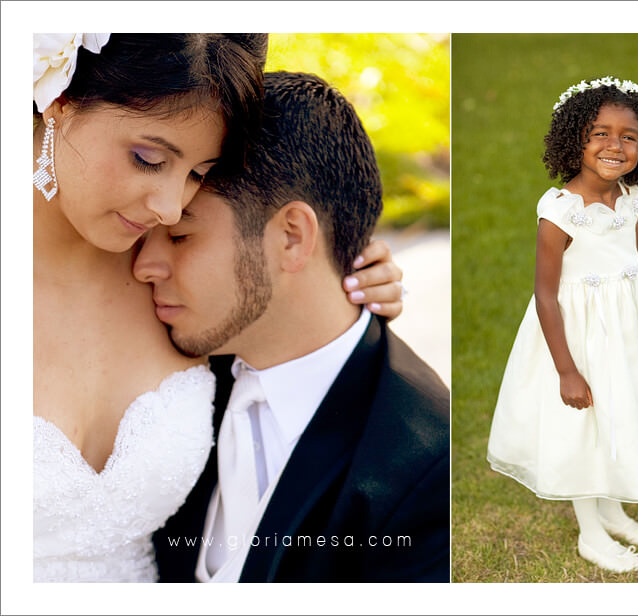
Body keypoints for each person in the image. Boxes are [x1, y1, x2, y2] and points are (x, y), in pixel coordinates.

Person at [32, 34, 404, 583]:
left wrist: (338, 275)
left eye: (197, 173)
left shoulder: (172, 276)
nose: (168, 206)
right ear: (59, 102)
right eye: (147, 158)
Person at [141, 71, 450, 583]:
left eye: (177, 236)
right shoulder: (167, 360)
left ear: (291, 237)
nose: (142, 267)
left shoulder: (427, 470)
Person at [486, 77, 638, 574]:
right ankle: (590, 532)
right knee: (586, 427)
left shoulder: (630, 197)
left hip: (628, 327)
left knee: (623, 412)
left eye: (628, 136)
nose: (615, 145)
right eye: (600, 133)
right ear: (574, 140)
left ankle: (613, 511)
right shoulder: (560, 213)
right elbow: (545, 295)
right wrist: (566, 370)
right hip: (581, 336)